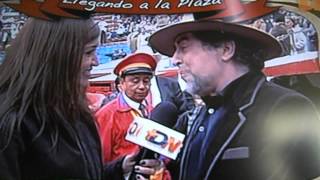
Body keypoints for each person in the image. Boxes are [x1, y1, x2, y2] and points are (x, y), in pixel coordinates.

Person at [149, 12, 320, 180]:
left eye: (183, 48)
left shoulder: (286, 108)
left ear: (226, 49)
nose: (174, 59)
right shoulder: (203, 113)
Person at [0, 17, 104, 179]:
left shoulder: (76, 112)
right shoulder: (10, 123)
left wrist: (120, 170)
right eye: (89, 52)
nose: (96, 62)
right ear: (59, 53)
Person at [95, 52, 166, 179]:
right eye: (135, 81)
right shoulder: (107, 115)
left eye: (146, 81)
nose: (142, 87)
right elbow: (100, 162)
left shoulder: (153, 111)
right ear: (122, 83)